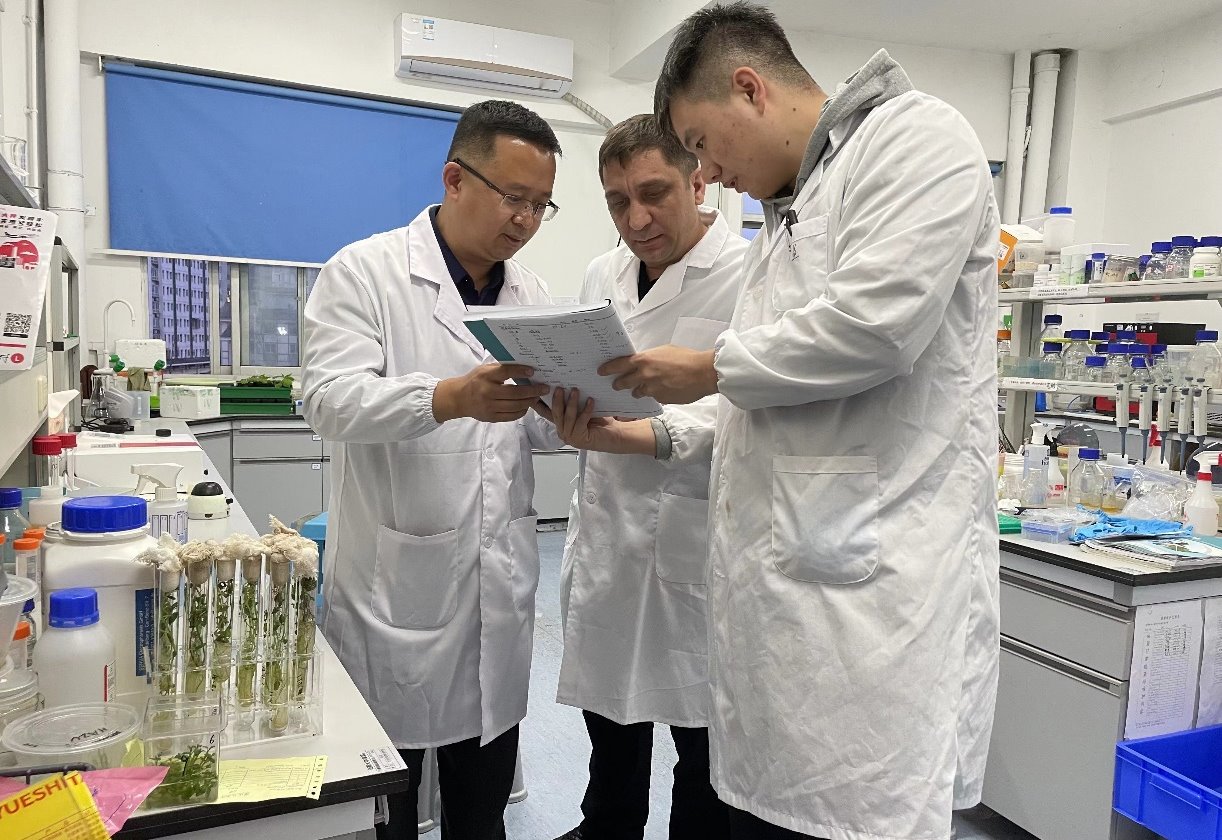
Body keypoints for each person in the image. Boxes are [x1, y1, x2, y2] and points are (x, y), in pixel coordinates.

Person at [593, 4, 1002, 839]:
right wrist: (643, 430)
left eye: (702, 144)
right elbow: (755, 400)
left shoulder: (916, 138)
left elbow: (877, 327)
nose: (709, 173)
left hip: (870, 623)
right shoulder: (788, 218)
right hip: (784, 629)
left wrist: (706, 365)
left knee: (850, 815)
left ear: (750, 89)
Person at [302, 100, 564, 840]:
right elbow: (328, 400)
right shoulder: (366, 272)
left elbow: (531, 426)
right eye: (514, 197)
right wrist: (447, 397)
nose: (526, 220)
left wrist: (572, 415)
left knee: (481, 810)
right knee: (390, 802)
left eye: (541, 205)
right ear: (455, 179)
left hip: (497, 589)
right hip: (393, 594)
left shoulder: (531, 296)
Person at [548, 114, 747, 840]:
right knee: (610, 723)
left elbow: (753, 405)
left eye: (654, 194)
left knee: (703, 738)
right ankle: (606, 827)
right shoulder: (602, 273)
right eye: (617, 201)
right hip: (609, 530)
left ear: (698, 182)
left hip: (697, 532)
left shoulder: (747, 272)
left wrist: (645, 435)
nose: (636, 219)